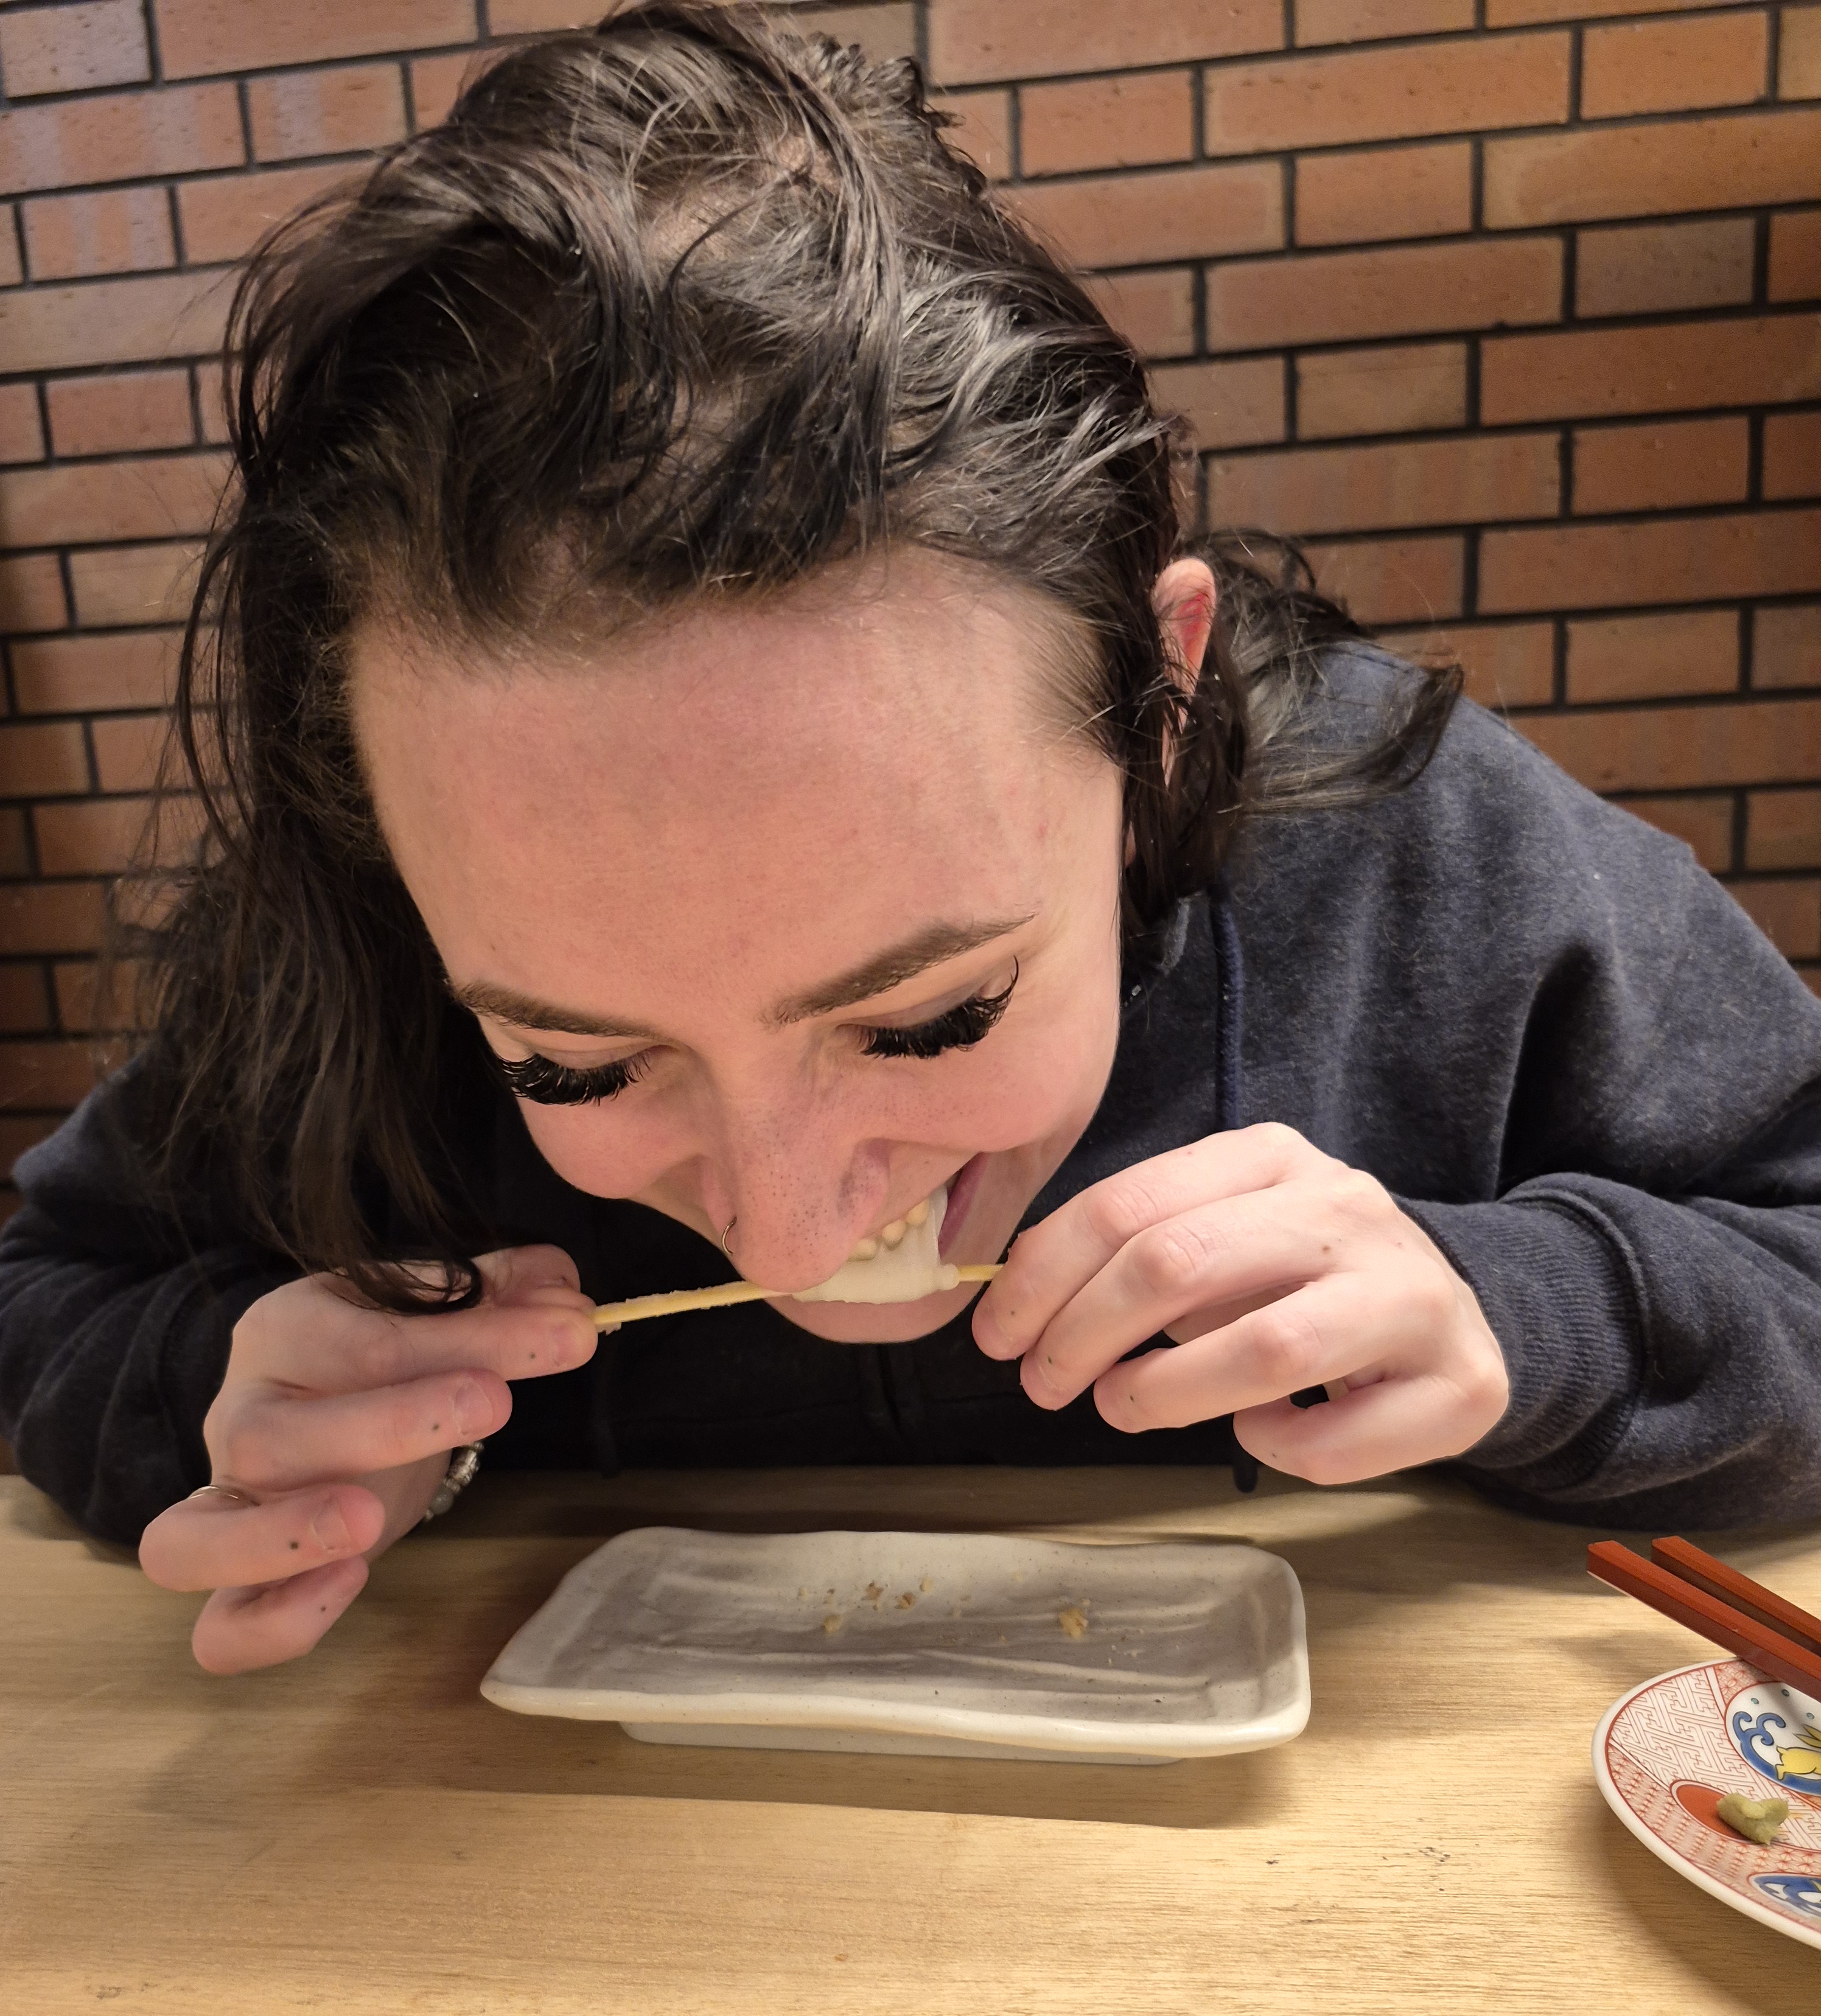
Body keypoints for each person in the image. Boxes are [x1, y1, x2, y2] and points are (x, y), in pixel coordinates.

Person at [1, 2, 1817, 1676]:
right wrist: (250, 1404)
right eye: (570, 1062)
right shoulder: (364, 932)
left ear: (1160, 703)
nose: (796, 1238)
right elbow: (46, 1298)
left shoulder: (1425, 859)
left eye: (930, 1017)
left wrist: (1531, 1313)